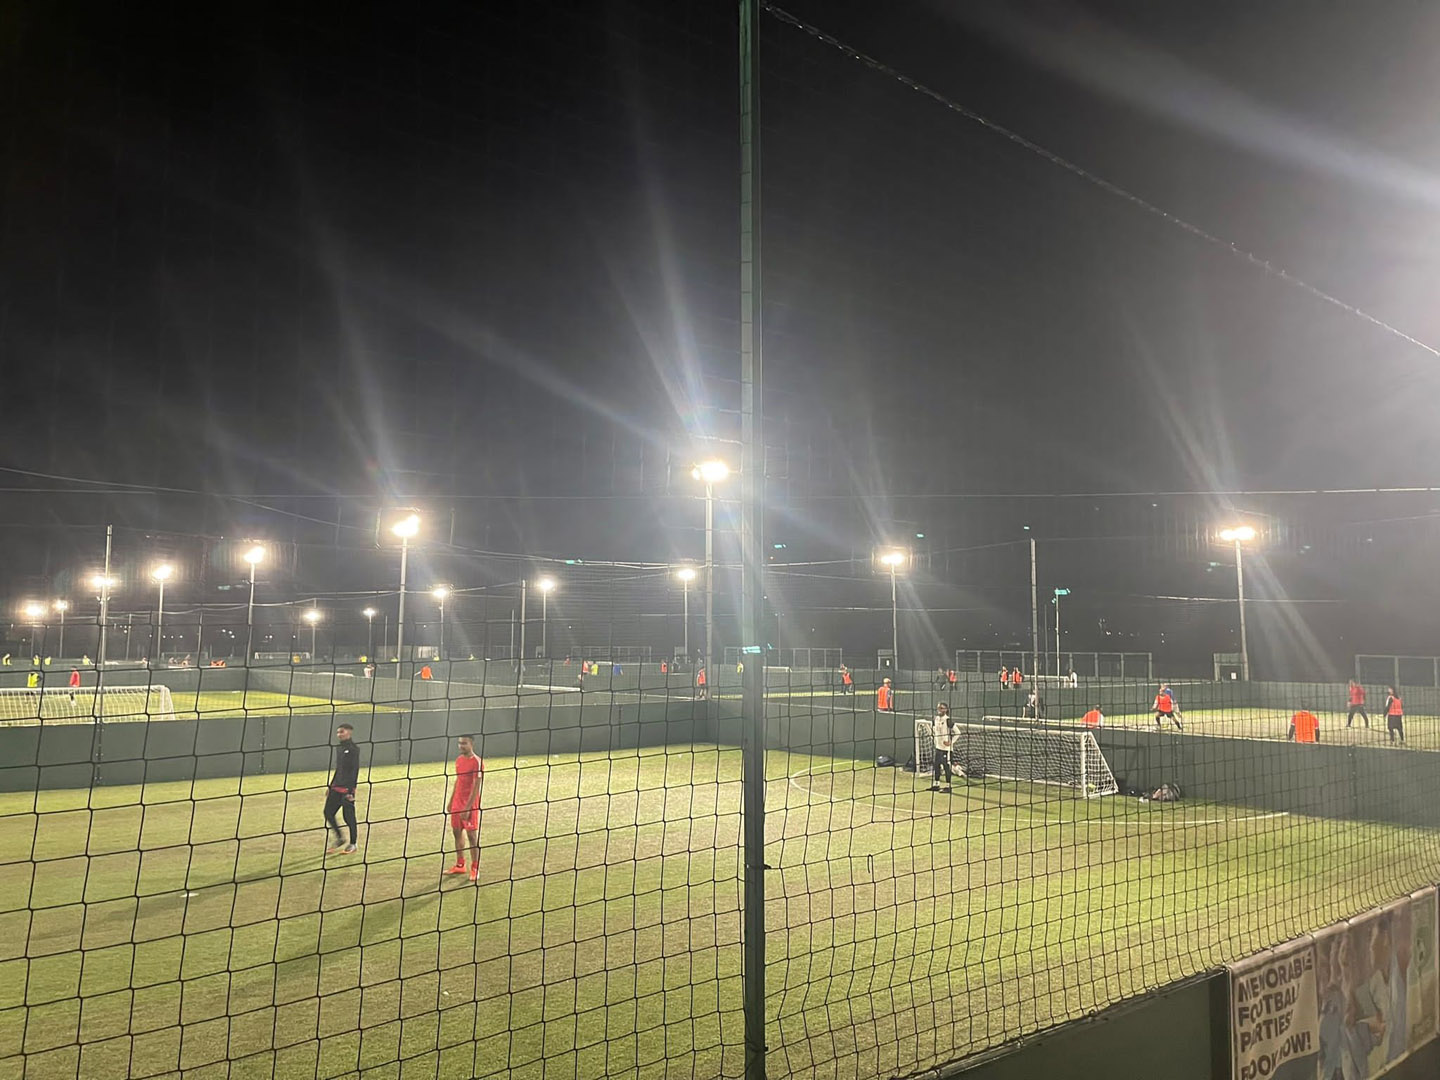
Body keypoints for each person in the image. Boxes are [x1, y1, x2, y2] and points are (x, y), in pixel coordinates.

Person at [444, 734, 485, 882]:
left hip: (470, 804)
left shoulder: (477, 762)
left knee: (472, 836)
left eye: (464, 743)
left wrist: (468, 808)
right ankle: (460, 864)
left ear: (471, 744)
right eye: (459, 743)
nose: (461, 746)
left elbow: (476, 786)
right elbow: (458, 781)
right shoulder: (459, 760)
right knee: (456, 832)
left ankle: (475, 868)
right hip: (457, 803)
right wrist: (451, 801)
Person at [323, 723, 361, 855]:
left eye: (342, 732)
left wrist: (351, 791)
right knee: (328, 812)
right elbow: (339, 769)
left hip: (346, 789)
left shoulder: (354, 749)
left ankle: (353, 844)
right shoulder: (339, 748)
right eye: (338, 732)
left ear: (349, 732)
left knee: (348, 817)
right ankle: (340, 838)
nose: (339, 734)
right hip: (336, 788)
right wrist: (330, 786)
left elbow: (354, 770)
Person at [929, 703, 958, 793]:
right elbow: (934, 730)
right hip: (938, 747)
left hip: (946, 749)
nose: (939, 709)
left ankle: (948, 786)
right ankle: (936, 784)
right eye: (938, 708)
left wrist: (950, 742)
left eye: (942, 708)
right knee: (936, 765)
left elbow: (958, 732)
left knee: (946, 766)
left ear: (946, 710)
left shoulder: (947, 720)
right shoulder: (936, 719)